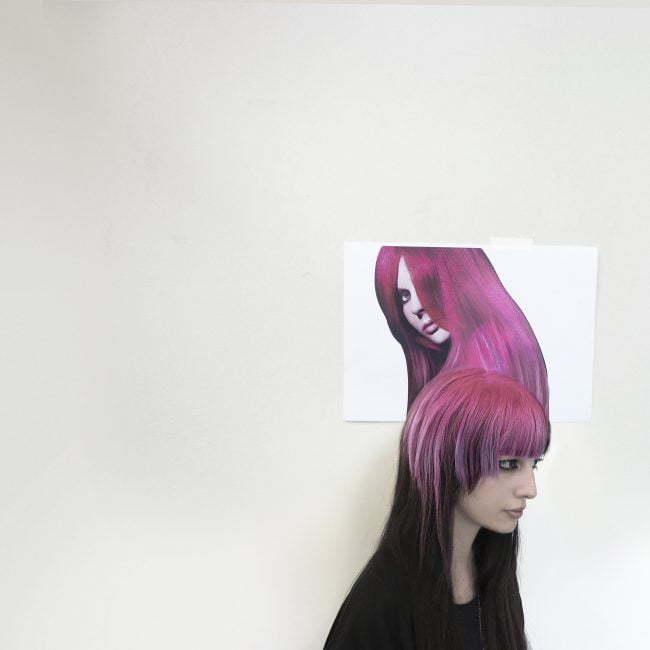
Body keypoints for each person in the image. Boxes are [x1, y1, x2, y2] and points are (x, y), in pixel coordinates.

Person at [324, 368, 550, 650]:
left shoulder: (493, 572)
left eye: (534, 464)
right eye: (508, 464)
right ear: (447, 461)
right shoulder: (380, 602)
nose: (530, 489)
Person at [374, 246, 549, 417]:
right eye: (405, 296)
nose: (416, 307)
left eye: (427, 284)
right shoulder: (492, 353)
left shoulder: (485, 363)